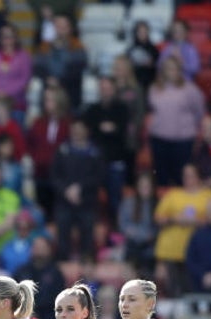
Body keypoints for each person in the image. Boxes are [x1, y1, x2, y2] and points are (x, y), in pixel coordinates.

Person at [154, 163, 211, 295]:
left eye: (191, 175)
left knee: (191, 288)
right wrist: (174, 219)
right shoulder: (173, 194)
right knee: (170, 288)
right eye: (185, 175)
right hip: (170, 250)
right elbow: (158, 217)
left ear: (199, 177)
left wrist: (196, 221)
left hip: (197, 251)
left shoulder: (210, 195)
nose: (187, 178)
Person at [148, 56, 205, 189]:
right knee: (161, 176)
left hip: (183, 141)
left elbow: (199, 111)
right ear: (163, 71)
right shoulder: (154, 89)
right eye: (168, 69)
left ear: (180, 71)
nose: (172, 72)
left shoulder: (190, 89)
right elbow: (152, 110)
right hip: (159, 139)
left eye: (175, 69)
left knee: (181, 177)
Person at [51, 118, 105, 261]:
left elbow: (99, 176)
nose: (77, 132)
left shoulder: (94, 152)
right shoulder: (63, 150)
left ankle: (87, 267)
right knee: (62, 233)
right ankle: (63, 265)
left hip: (87, 201)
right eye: (74, 129)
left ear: (87, 131)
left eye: (80, 129)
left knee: (87, 236)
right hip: (64, 200)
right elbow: (54, 176)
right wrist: (66, 191)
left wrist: (80, 188)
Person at [82, 76, 132, 217]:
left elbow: (121, 132)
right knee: (91, 200)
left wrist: (105, 129)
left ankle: (116, 230)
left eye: (108, 88)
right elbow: (90, 132)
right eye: (102, 88)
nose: (105, 91)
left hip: (116, 161)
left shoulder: (122, 109)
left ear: (114, 89)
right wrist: (106, 129)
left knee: (115, 200)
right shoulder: (92, 109)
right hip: (96, 162)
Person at [26, 86, 69, 216]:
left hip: (61, 177)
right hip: (40, 173)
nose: (47, 103)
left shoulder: (67, 123)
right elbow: (30, 144)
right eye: (45, 100)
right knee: (42, 210)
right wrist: (36, 158)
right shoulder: (38, 122)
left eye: (50, 100)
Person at [119, 171, 157, 272]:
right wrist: (139, 234)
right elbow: (123, 224)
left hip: (150, 248)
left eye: (147, 186)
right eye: (142, 186)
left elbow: (157, 228)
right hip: (132, 245)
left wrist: (147, 236)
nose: (145, 189)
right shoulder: (129, 202)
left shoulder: (157, 204)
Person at [127, 21, 160, 93]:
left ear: (148, 32)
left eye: (145, 31)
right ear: (136, 33)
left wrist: (151, 63)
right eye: (140, 32)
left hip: (150, 83)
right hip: (135, 83)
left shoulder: (154, 49)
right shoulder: (131, 50)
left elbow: (157, 66)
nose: (142, 34)